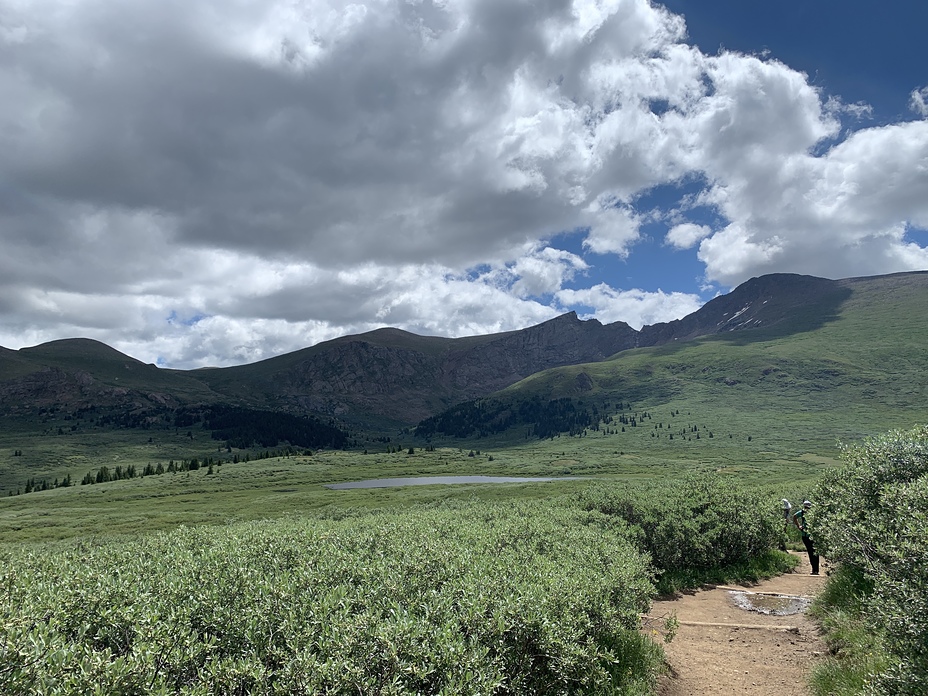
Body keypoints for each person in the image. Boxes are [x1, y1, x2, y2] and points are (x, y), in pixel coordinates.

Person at [793, 500, 820, 575]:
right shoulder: (814, 513)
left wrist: (799, 526)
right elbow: (794, 517)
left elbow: (794, 517)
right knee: (814, 552)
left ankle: (815, 569)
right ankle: (815, 570)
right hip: (811, 536)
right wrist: (799, 526)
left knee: (811, 552)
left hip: (806, 535)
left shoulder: (802, 512)